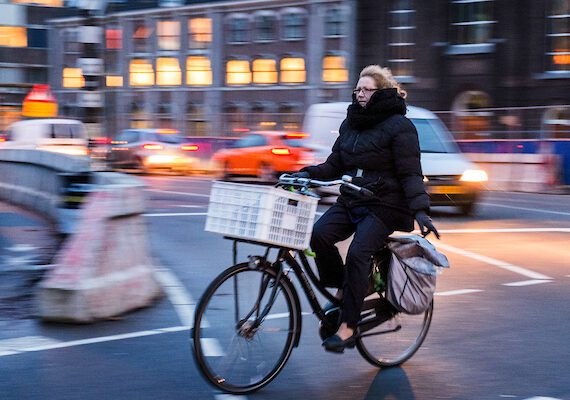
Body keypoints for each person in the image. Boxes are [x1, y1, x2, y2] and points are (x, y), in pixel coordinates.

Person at [291, 65, 439, 353]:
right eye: (358, 89)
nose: (359, 93)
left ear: (381, 92)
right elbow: (334, 164)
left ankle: (348, 326)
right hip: (354, 197)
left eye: (366, 89)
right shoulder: (351, 123)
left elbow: (411, 172)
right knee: (318, 234)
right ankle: (346, 290)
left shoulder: (400, 126)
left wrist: (421, 210)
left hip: (387, 204)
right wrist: (305, 173)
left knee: (359, 252)